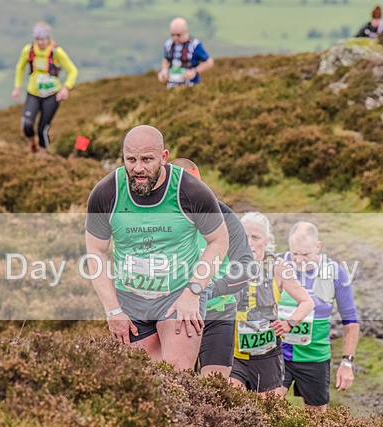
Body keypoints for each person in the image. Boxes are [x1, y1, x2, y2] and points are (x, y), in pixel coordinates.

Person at [85, 126, 228, 371]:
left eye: (147, 159)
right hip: (130, 298)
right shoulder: (106, 192)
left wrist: (193, 291)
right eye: (131, 160)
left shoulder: (190, 190)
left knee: (175, 375)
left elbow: (219, 240)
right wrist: (112, 311)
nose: (138, 168)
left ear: (163, 157)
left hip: (179, 293)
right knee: (138, 379)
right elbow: (96, 252)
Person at [170, 158, 255, 379]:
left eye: (193, 188)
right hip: (174, 314)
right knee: (177, 382)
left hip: (219, 314)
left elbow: (246, 268)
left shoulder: (224, 217)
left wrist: (211, 289)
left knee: (214, 388)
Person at [229, 213, 314, 395]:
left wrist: (289, 323)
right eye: (244, 237)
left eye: (256, 237)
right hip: (234, 353)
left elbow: (307, 302)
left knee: (266, 413)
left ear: (266, 241)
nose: (249, 242)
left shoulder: (278, 267)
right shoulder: (229, 264)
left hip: (266, 354)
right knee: (232, 406)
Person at [279, 221, 359, 412]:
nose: (299, 260)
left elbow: (350, 321)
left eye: (305, 254)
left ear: (318, 247)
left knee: (317, 424)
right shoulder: (278, 265)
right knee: (265, 411)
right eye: (294, 253)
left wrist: (347, 362)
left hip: (314, 356)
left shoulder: (335, 272)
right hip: (278, 354)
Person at [12, 22, 78, 154]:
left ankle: (43, 156)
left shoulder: (56, 52)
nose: (40, 42)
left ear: (48, 39)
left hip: (52, 95)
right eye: (38, 39)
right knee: (27, 124)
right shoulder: (28, 50)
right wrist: (17, 87)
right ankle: (32, 145)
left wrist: (66, 88)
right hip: (33, 93)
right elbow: (20, 67)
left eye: (43, 39)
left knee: (42, 128)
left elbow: (73, 71)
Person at [157, 18, 214, 89]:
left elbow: (209, 62)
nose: (175, 38)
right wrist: (164, 71)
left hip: (191, 86)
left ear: (185, 32)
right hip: (171, 86)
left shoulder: (194, 45)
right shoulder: (168, 44)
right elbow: (167, 60)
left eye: (178, 35)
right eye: (172, 35)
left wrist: (194, 72)